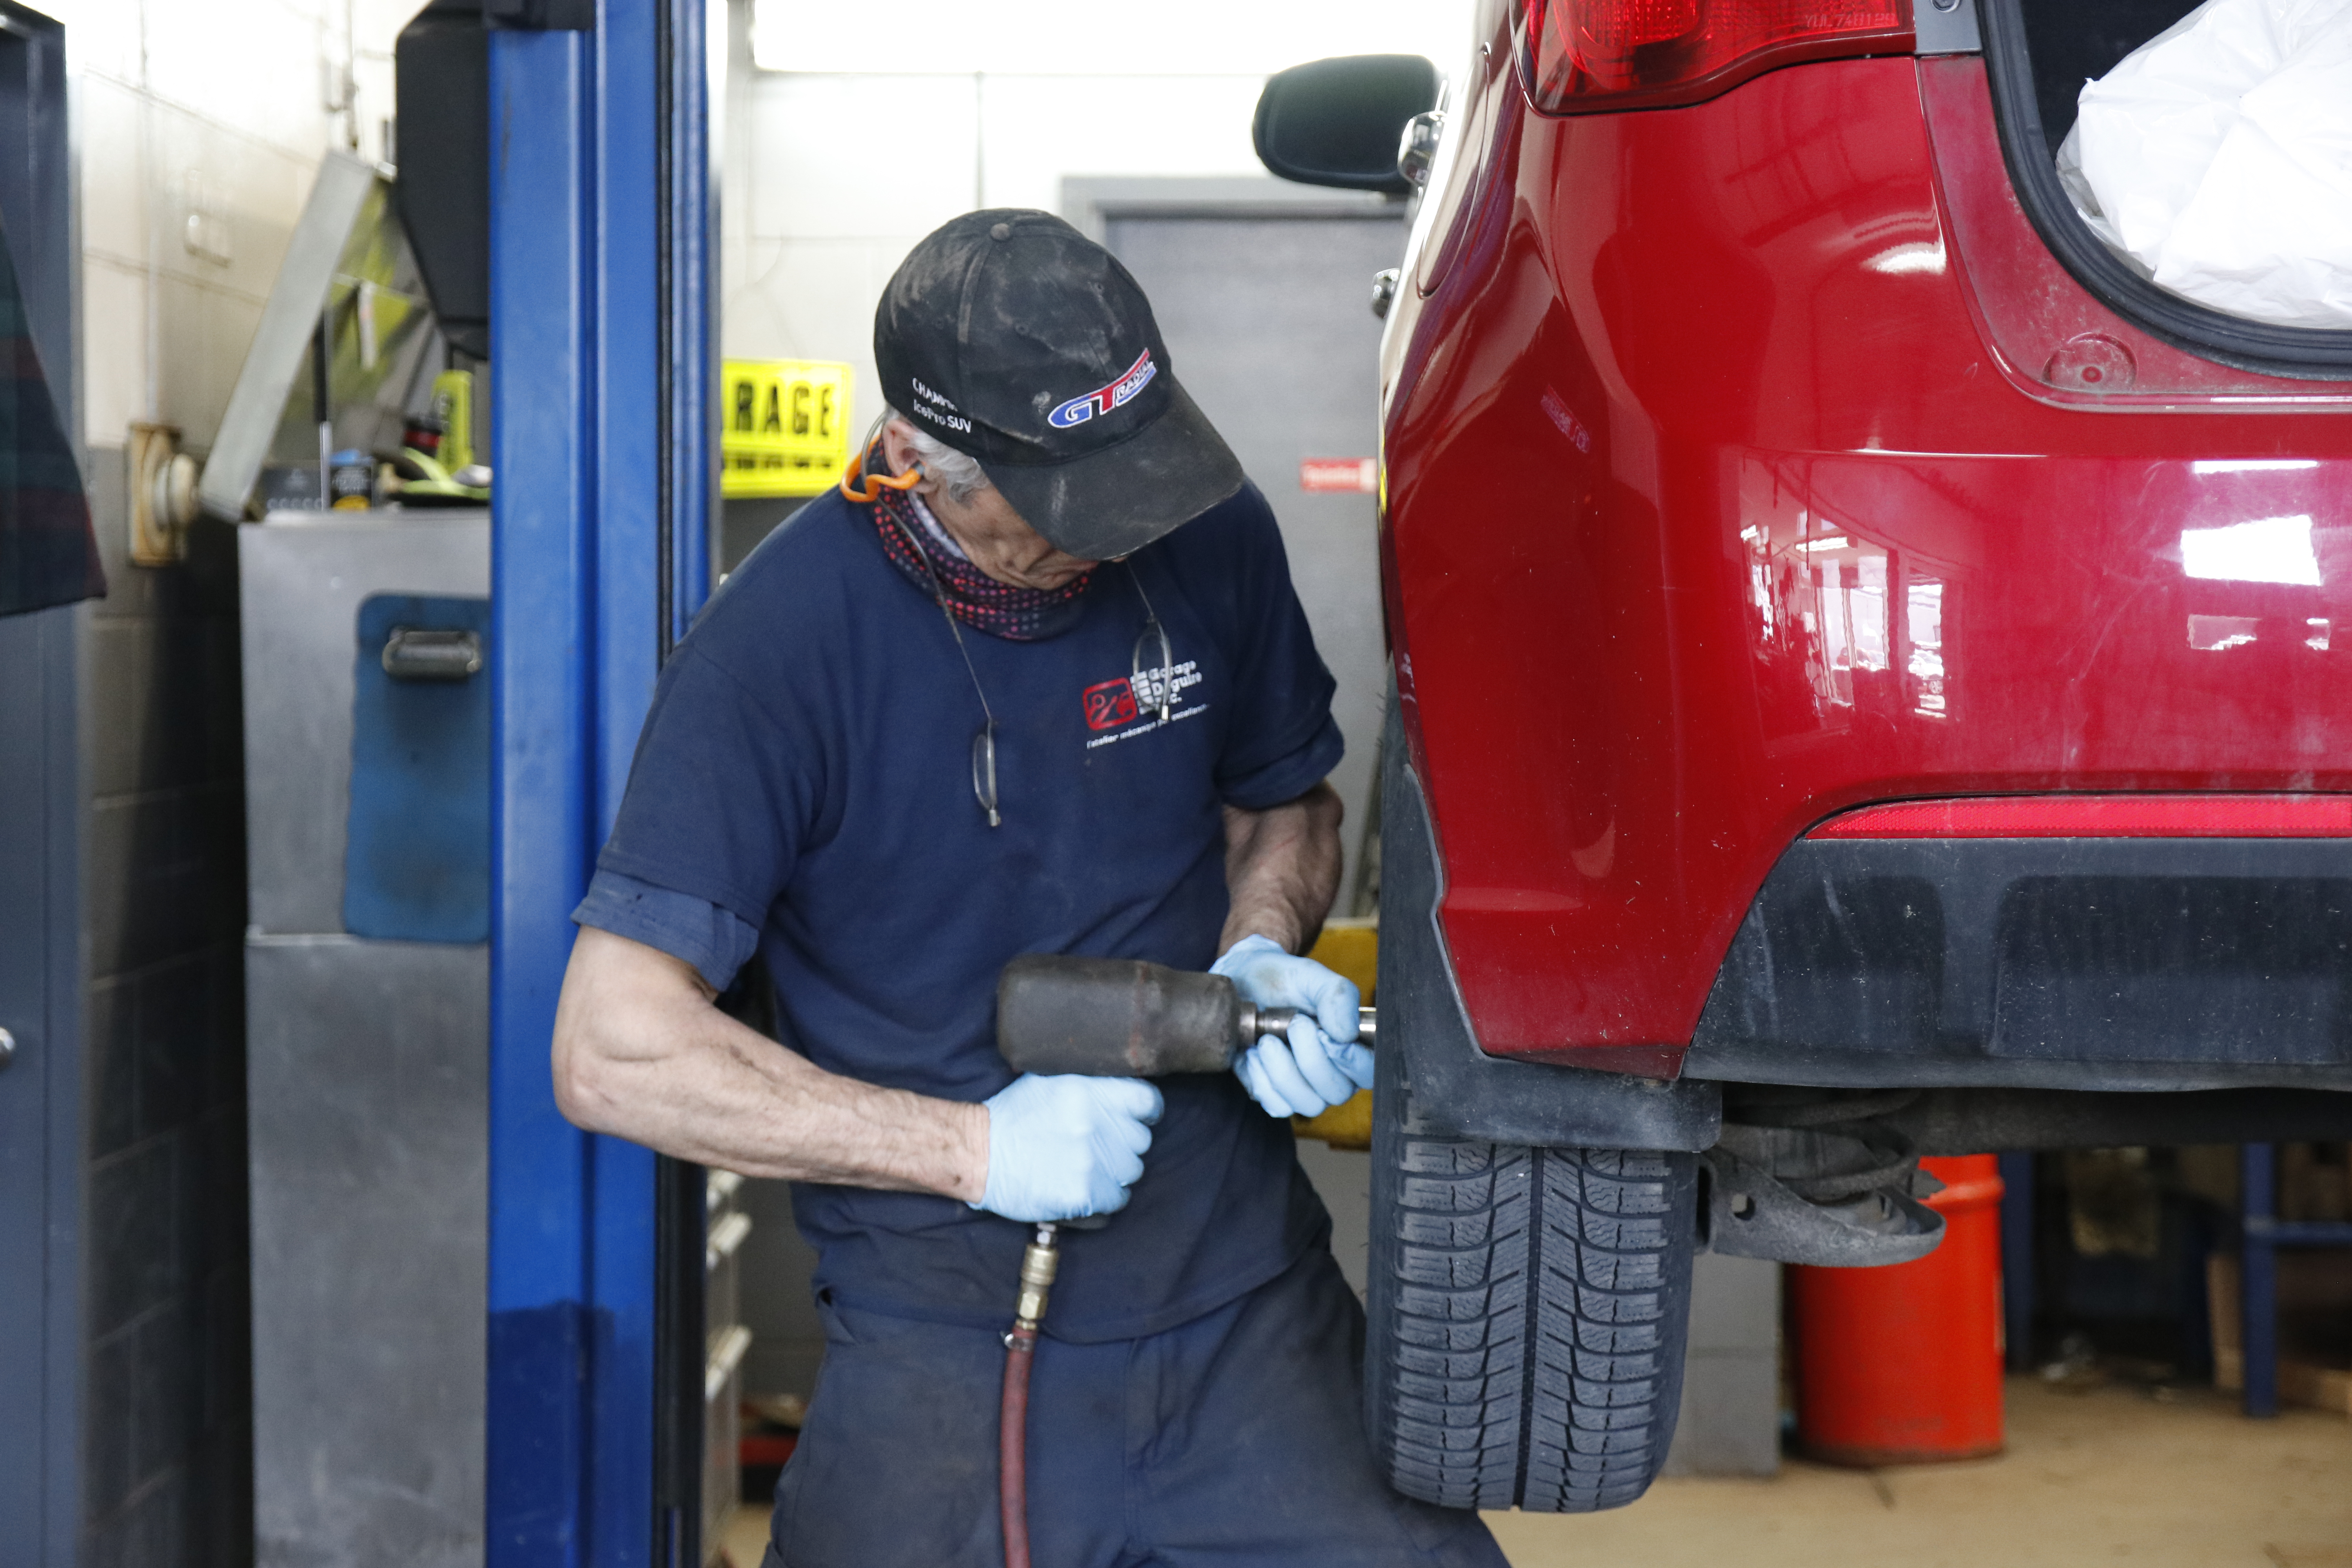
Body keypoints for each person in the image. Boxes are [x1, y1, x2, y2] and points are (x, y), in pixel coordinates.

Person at [550, 209, 1506, 1568]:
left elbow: (1284, 803)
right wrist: (975, 1153)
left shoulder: (1207, 533)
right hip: (944, 1334)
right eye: (1064, 507)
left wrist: (1259, 945)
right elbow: (612, 1049)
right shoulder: (772, 650)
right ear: (913, 460)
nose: (1114, 537)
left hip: (1246, 1312)